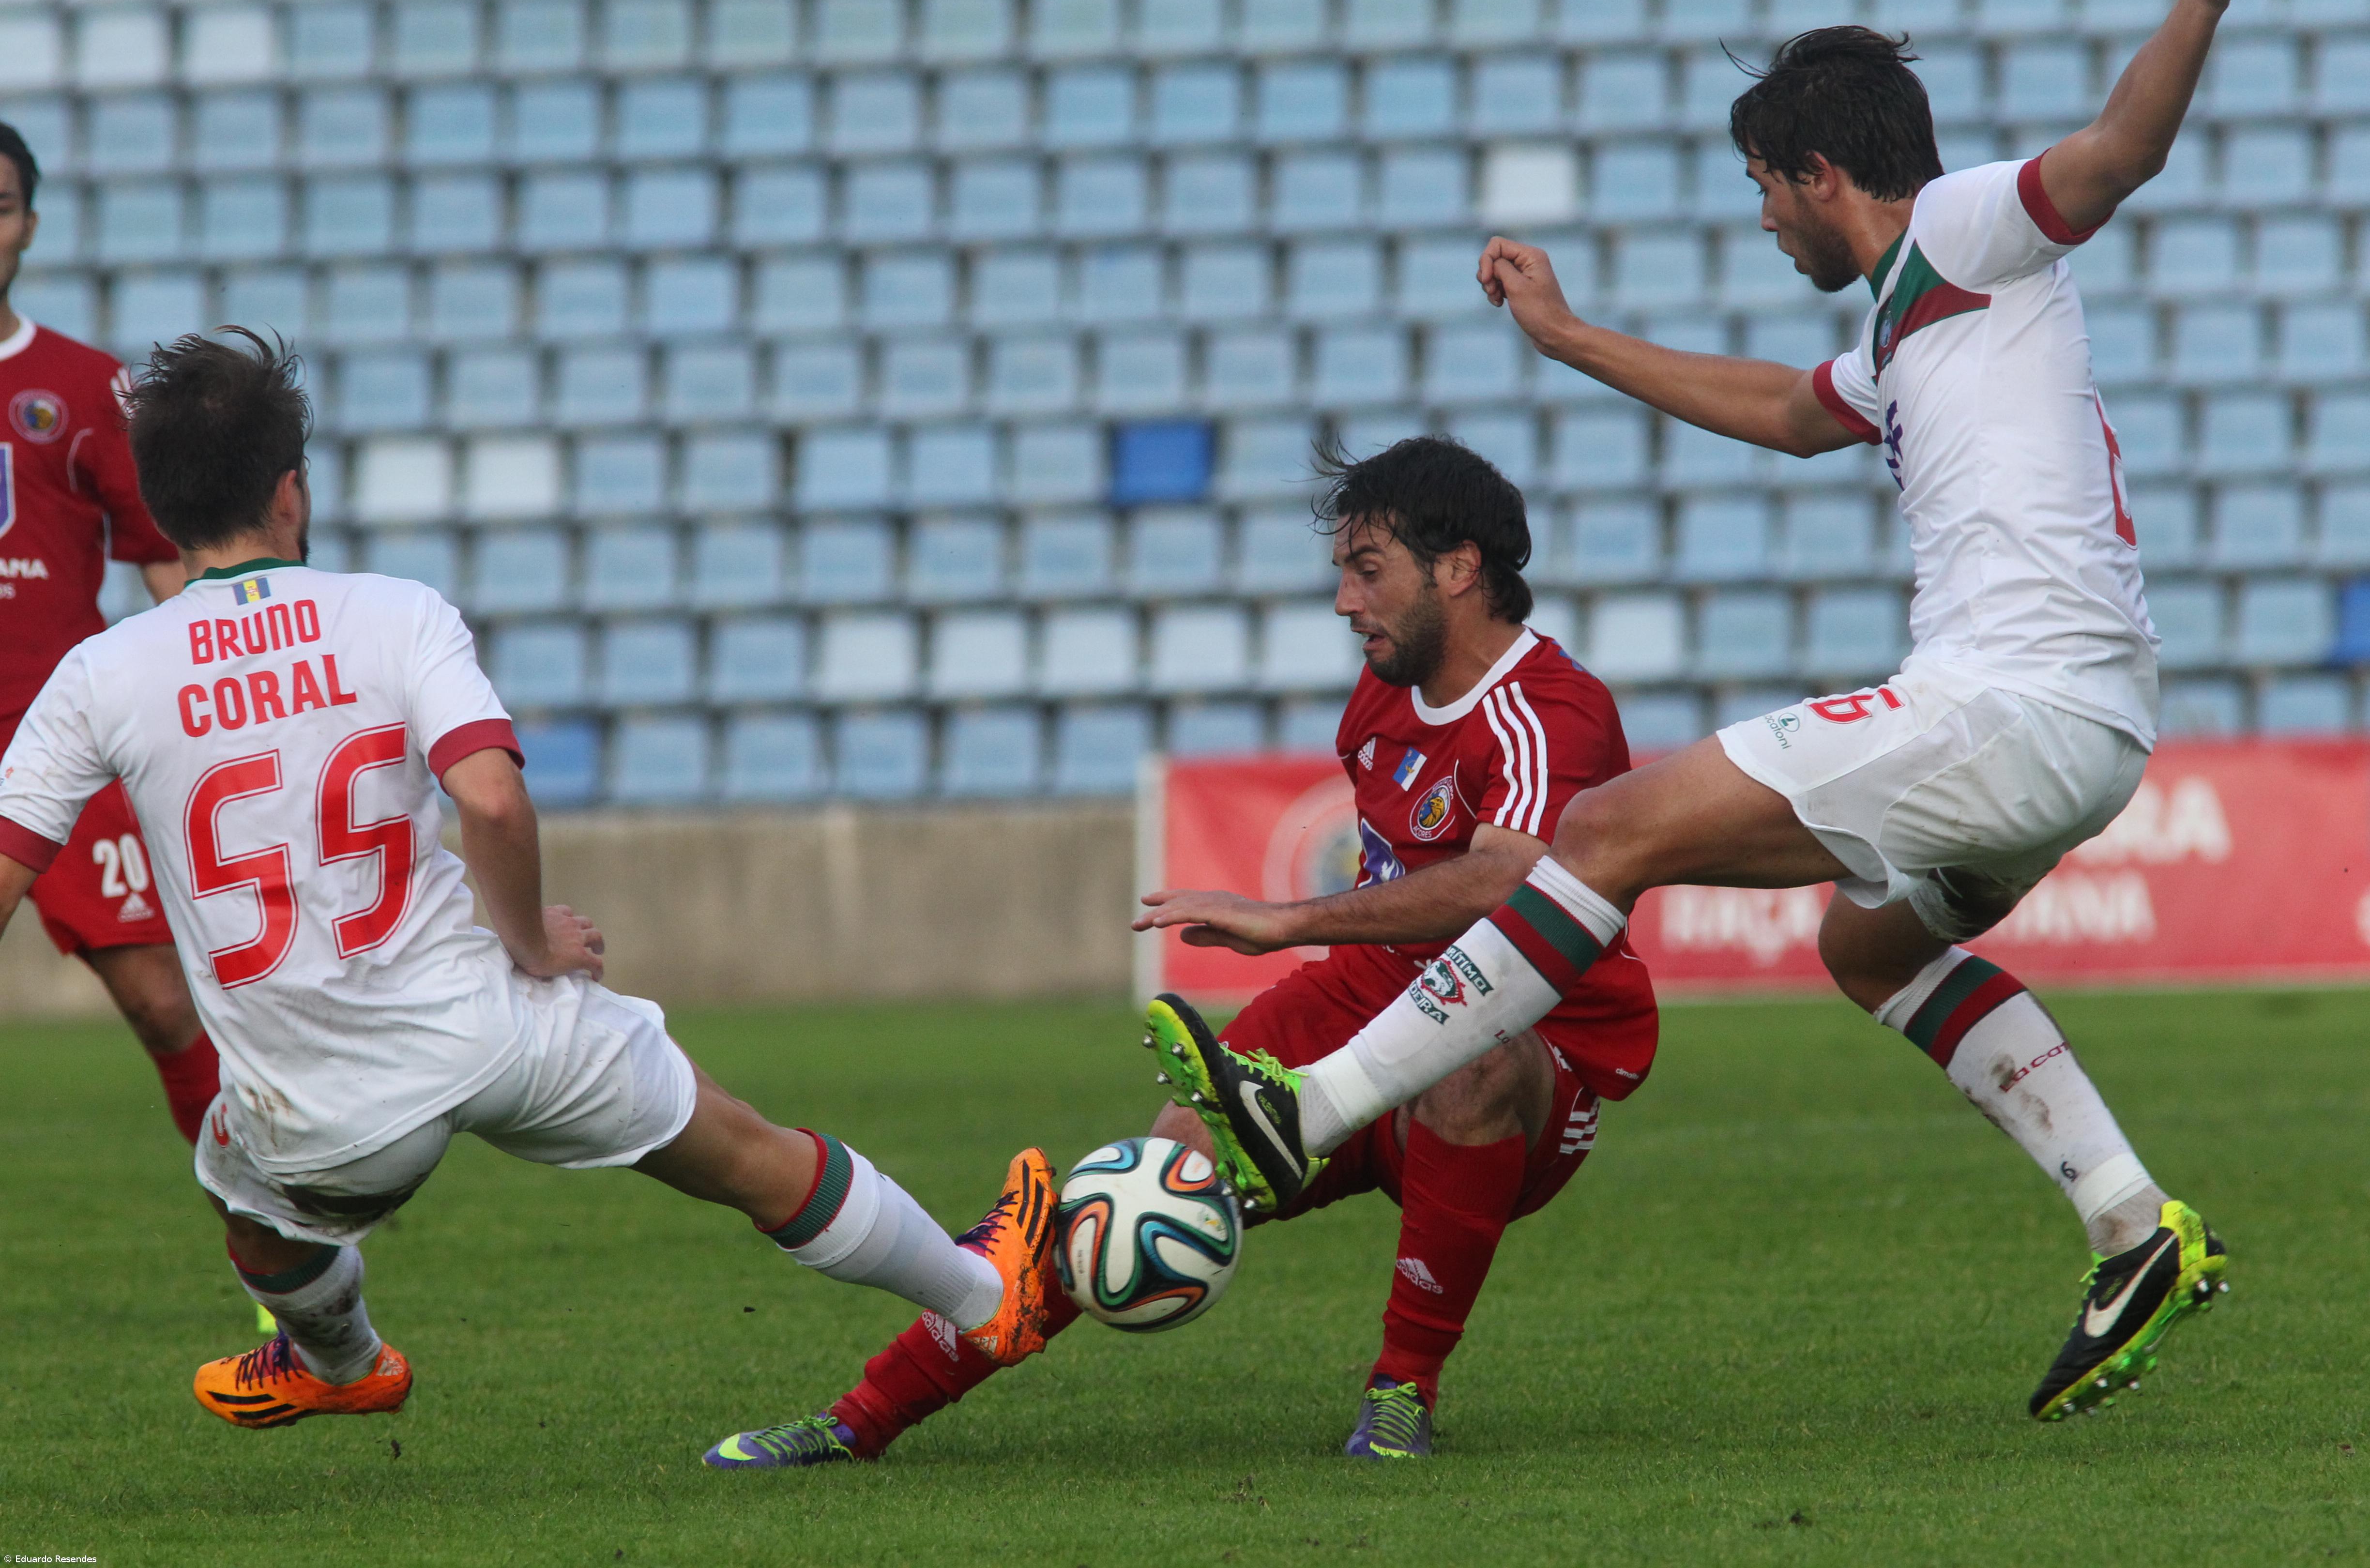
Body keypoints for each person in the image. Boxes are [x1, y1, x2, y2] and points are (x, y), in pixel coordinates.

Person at [1156, 8, 2234, 1425]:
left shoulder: (1967, 229)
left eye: (1765, 191)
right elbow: (1790, 413)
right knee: (1868, 941)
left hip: (2009, 702)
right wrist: (1569, 339)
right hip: (2079, 726)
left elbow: (2118, 153)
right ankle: (2130, 1222)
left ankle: (1315, 1105)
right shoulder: (1911, 322)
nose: (1767, 223)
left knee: (1602, 831)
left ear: (1816, 174)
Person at [0, 330, 1062, 1455]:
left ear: (158, 514)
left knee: (238, 1188)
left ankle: (347, 1364)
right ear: (291, 491)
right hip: (496, 1024)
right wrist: (534, 944)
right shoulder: (396, 613)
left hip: (318, 1109)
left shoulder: (99, 675)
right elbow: (494, 805)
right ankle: (983, 1297)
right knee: (743, 1149)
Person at [728, 437, 1659, 1465]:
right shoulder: (1382, 695)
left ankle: (1403, 1394)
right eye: (1343, 574)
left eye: (1368, 571)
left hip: (1537, 1050)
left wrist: (1288, 919)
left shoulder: (1551, 709)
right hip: (1361, 996)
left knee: (1473, 1058)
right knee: (1132, 1191)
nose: (1346, 603)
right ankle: (861, 1419)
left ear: (1460, 568)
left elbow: (1509, 883)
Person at [0, 121, 220, 1150]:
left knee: (166, 1005)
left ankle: (293, 1282)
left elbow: (169, 563)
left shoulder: (90, 387)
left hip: (55, 740)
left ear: (29, 226)